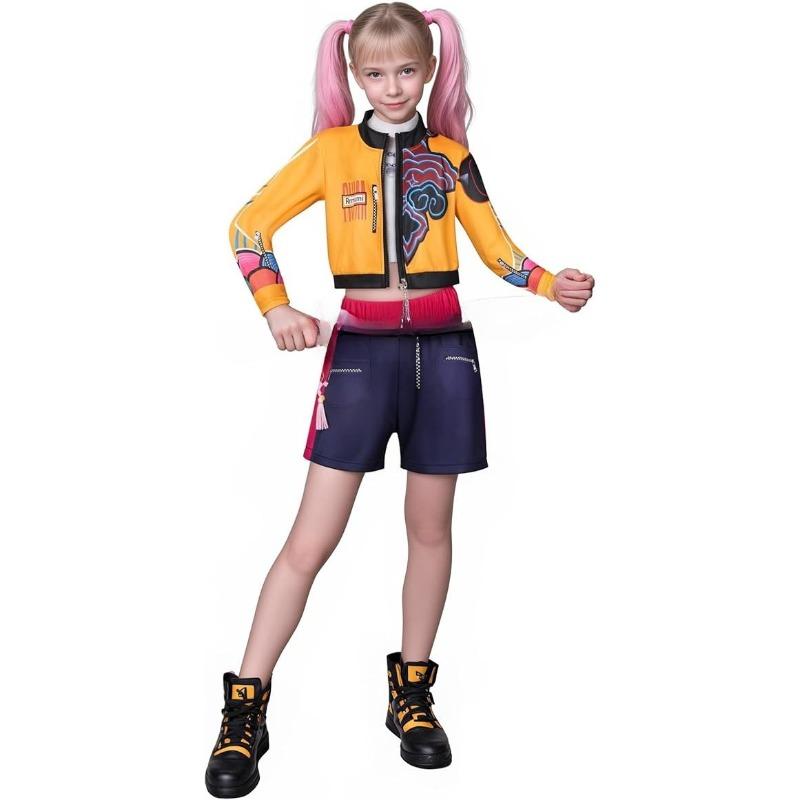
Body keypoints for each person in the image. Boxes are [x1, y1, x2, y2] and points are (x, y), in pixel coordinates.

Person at [206, 3, 594, 794]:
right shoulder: (329, 152)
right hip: (357, 356)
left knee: (431, 530)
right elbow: (248, 226)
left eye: (407, 70)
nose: (391, 87)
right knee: (310, 540)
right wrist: (275, 306)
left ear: (430, 69)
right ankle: (246, 707)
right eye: (375, 73)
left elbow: (497, 250)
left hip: (444, 353)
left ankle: (411, 695)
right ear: (353, 73)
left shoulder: (452, 158)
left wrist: (552, 284)